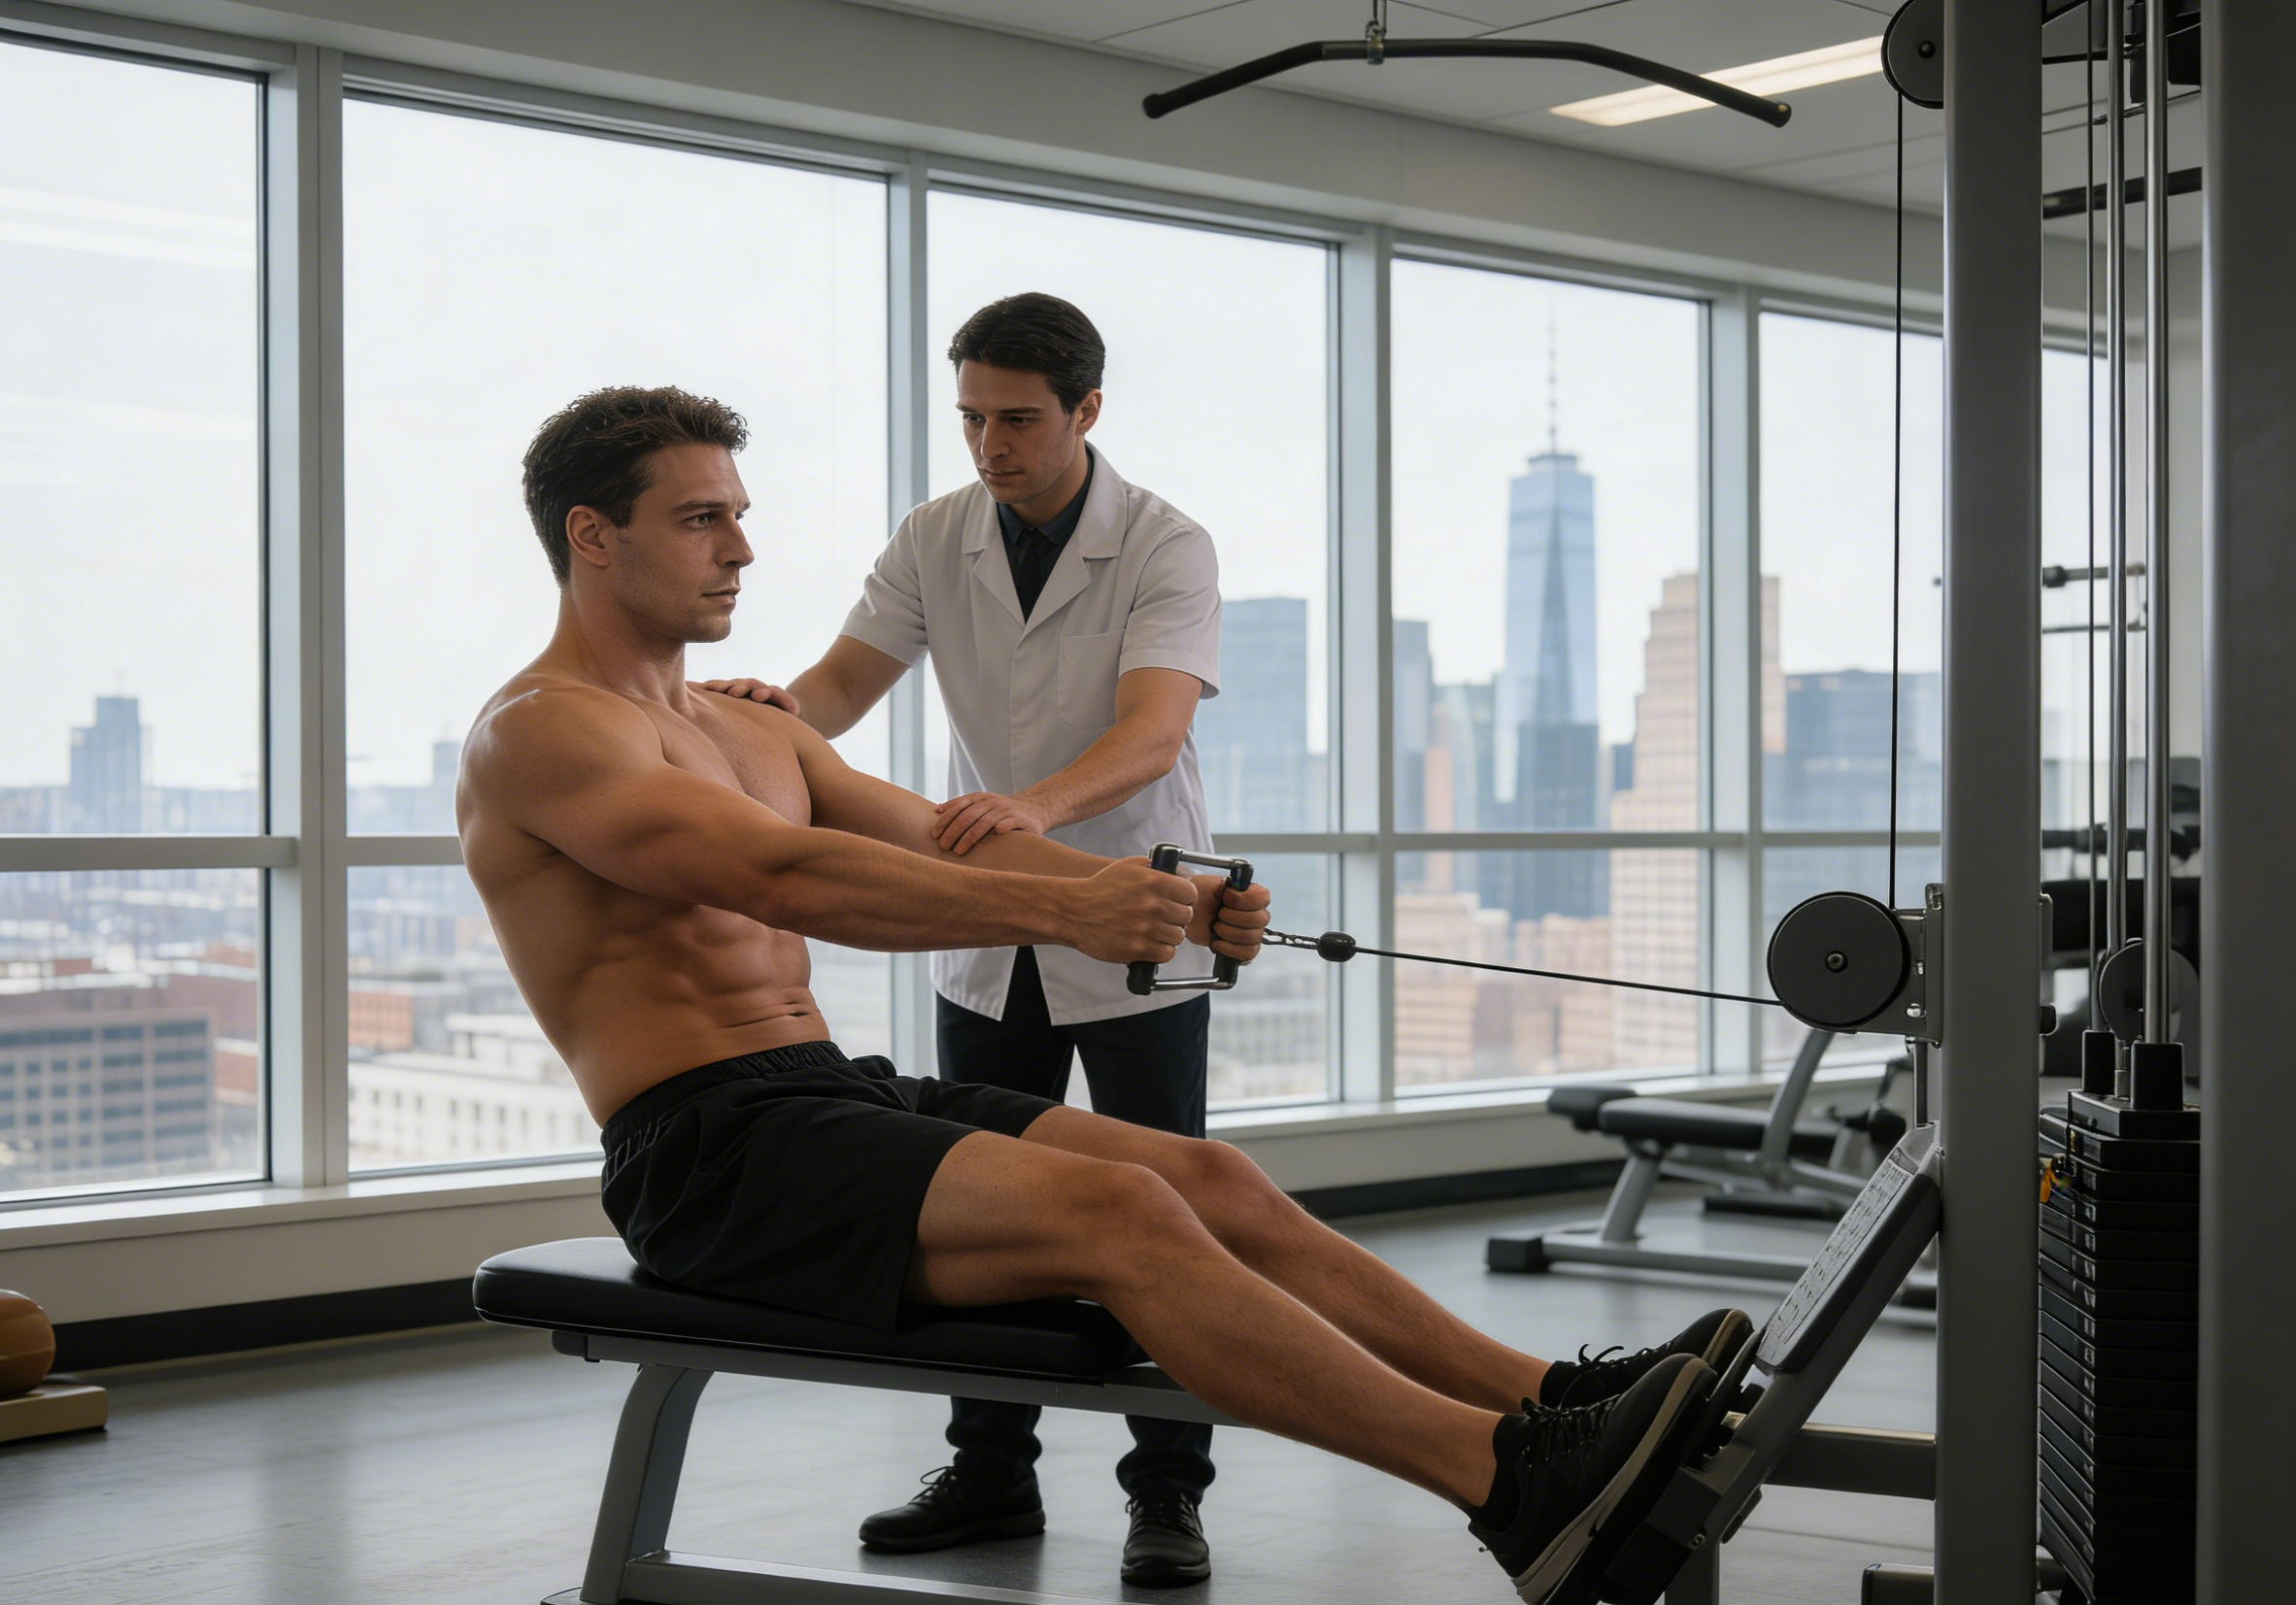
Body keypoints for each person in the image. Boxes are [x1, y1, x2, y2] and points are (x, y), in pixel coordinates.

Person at [457, 385, 1747, 1605]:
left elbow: (944, 841)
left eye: (739, 512)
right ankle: (1513, 1488)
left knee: (1215, 1181)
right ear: (592, 534)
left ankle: (1556, 1404)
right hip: (707, 1154)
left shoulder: (755, 728)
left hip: (822, 1093)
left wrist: (1166, 903)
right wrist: (1071, 909)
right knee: (1125, 1212)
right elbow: (782, 876)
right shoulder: (544, 731)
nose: (741, 546)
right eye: (701, 518)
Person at [700, 292, 1232, 1584]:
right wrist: (766, 713)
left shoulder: (1166, 543)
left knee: (1167, 1208)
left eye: (1017, 419)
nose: (990, 444)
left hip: (1134, 913)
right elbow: (836, 690)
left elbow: (1153, 733)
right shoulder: (937, 536)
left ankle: (1169, 1488)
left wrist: (1029, 810)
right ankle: (990, 1468)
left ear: (1086, 411)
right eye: (971, 418)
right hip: (986, 925)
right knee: (978, 1204)